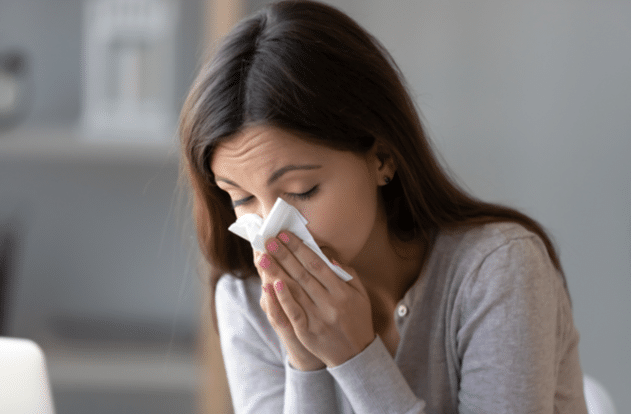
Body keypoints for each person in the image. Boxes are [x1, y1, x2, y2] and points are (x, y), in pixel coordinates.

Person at [178, 1, 587, 412]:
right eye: (242, 198)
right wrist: (305, 363)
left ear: (382, 158)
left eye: (302, 191)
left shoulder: (496, 270)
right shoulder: (248, 300)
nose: (272, 233)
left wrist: (357, 359)